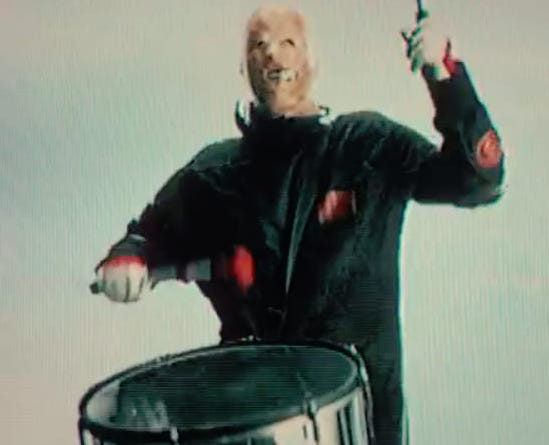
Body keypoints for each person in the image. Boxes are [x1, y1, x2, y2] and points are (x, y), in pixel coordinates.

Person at [93, 4, 504, 444]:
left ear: (312, 60)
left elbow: (476, 181)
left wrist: (445, 74)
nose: (273, 54)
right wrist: (126, 261)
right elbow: (144, 238)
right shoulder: (213, 175)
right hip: (250, 422)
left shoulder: (366, 147)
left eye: (288, 41)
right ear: (244, 67)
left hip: (361, 423)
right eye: (259, 45)